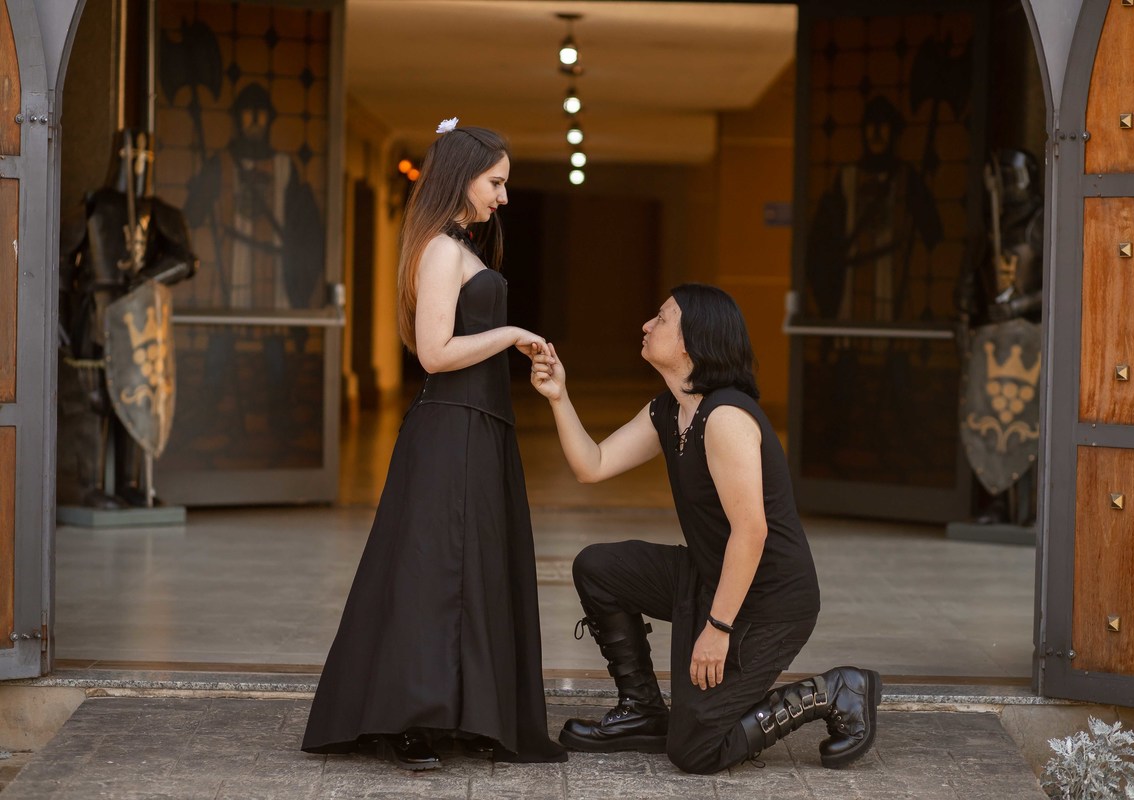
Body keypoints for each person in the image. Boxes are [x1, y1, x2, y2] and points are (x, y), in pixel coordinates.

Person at [529, 284, 880, 774]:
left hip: (768, 603)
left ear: (693, 340)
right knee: (599, 567)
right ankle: (642, 711)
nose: (647, 325)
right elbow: (594, 464)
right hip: (709, 575)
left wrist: (717, 629)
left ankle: (833, 691)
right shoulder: (670, 409)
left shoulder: (726, 417)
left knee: (695, 749)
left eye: (661, 318)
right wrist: (558, 397)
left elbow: (751, 532)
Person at [302, 119, 566, 768]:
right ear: (462, 177)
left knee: (461, 570)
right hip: (454, 426)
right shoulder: (444, 251)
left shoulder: (456, 246)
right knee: (437, 573)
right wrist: (512, 336)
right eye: (495, 183)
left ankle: (456, 713)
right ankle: (413, 720)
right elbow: (434, 352)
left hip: (476, 424)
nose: (504, 197)